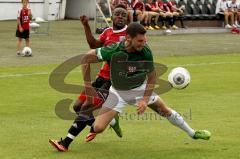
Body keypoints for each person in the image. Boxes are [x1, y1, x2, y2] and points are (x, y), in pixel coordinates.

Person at [81, 22, 211, 143]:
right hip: (117, 93)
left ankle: (193, 133)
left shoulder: (145, 52)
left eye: (145, 40)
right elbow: (86, 58)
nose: (143, 43)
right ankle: (114, 121)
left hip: (140, 89)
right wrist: (87, 86)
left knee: (165, 110)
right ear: (128, 38)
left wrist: (144, 99)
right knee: (98, 128)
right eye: (139, 41)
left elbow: (152, 77)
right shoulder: (113, 50)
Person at [49, 5, 128, 152]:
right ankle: (108, 122)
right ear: (113, 17)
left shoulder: (129, 34)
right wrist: (86, 26)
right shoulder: (108, 32)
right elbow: (94, 45)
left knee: (86, 108)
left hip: (113, 81)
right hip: (101, 77)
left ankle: (65, 143)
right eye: (118, 14)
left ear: (127, 17)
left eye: (124, 14)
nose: (121, 16)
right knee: (77, 107)